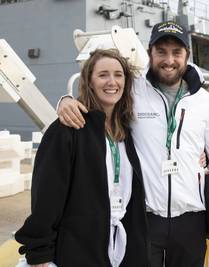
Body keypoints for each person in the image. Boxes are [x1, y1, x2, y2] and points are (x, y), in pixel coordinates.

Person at [57, 21, 209, 267]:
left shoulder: (207, 103)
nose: (169, 60)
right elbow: (99, 99)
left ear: (187, 56)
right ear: (150, 52)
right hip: (143, 217)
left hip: (192, 219)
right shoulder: (132, 90)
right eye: (161, 51)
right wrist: (65, 100)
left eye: (176, 52)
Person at [15, 49, 150, 267]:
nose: (112, 81)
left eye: (118, 74)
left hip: (121, 248)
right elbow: (46, 198)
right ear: (89, 81)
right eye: (103, 74)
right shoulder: (67, 129)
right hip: (79, 251)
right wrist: (40, 253)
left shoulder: (126, 131)